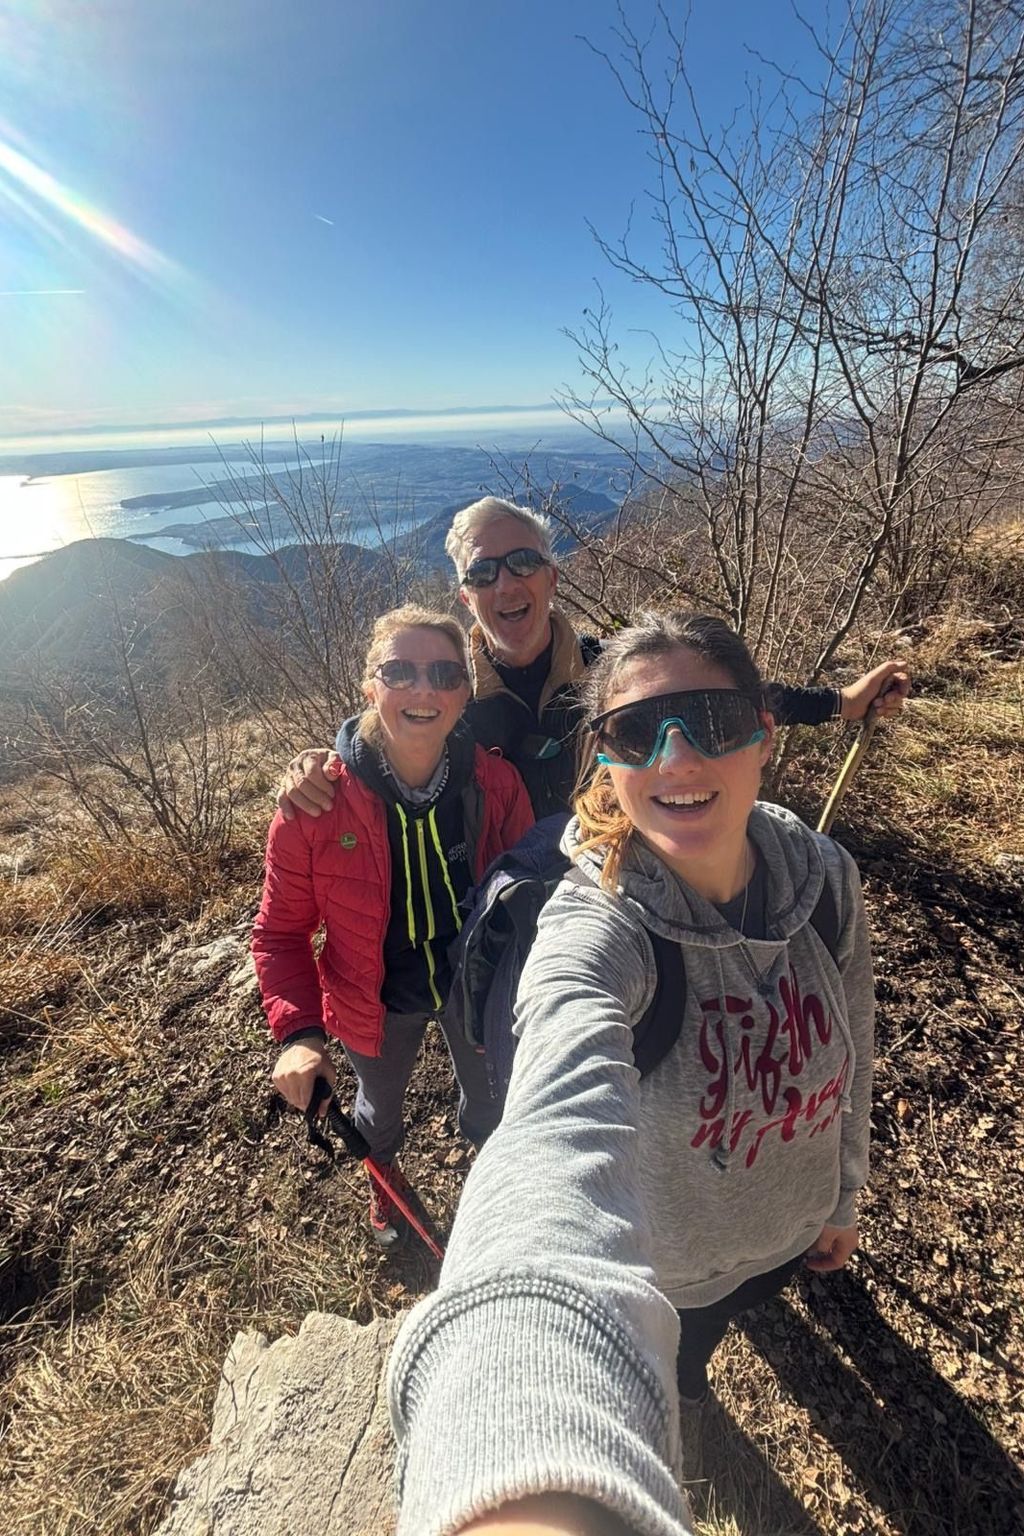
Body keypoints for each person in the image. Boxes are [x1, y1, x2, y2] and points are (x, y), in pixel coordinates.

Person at [388, 609, 874, 1532]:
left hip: (789, 1226)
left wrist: (841, 1197)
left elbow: (854, 1044)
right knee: (685, 1361)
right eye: (638, 733)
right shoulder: (597, 929)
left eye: (712, 722)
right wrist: (520, 1456)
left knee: (735, 1320)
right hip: (669, 1271)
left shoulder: (824, 880)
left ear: (765, 731)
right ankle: (683, 1407)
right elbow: (550, 1128)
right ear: (605, 759)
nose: (677, 759)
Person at [274, 497, 911, 822]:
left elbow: (714, 700)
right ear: (466, 596)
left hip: (606, 876)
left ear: (551, 577)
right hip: (490, 907)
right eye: (484, 572)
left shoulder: (609, 672)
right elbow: (378, 732)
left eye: (523, 562)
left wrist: (840, 703)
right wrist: (319, 762)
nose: (506, 584)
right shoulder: (444, 692)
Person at [251, 604, 534, 1244]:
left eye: (443, 673)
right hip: (371, 997)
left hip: (477, 986)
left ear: (466, 690)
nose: (423, 689)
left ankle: (497, 1189)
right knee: (377, 1113)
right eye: (399, 670)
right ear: (369, 685)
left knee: (493, 1100)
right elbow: (279, 933)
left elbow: (528, 897)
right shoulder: (313, 809)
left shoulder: (495, 784)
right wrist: (298, 1032)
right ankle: (386, 1187)